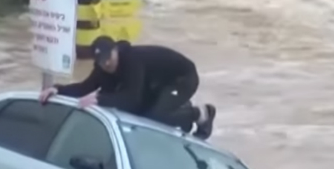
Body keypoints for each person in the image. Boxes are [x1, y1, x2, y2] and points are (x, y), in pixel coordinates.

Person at [39, 36, 217, 139]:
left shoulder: (133, 61)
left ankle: (201, 114)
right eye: (101, 62)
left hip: (182, 78)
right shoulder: (103, 69)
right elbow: (85, 87)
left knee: (154, 117)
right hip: (158, 84)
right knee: (143, 115)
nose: (107, 64)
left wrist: (100, 99)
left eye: (109, 58)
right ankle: (182, 115)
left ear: (116, 51)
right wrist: (58, 89)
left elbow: (132, 99)